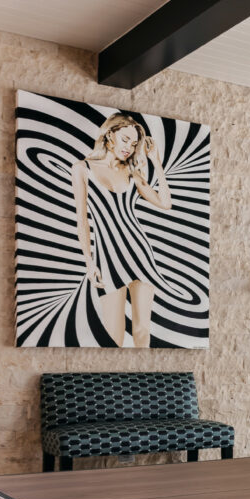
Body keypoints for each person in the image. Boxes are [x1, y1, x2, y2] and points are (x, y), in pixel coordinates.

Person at [71, 113, 172, 347]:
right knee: (113, 336)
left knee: (142, 330)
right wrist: (89, 261)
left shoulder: (132, 174)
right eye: (125, 139)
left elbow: (165, 204)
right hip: (107, 256)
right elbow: (82, 221)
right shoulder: (82, 168)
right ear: (110, 135)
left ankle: (145, 380)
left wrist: (156, 162)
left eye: (134, 143)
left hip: (139, 251)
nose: (129, 147)